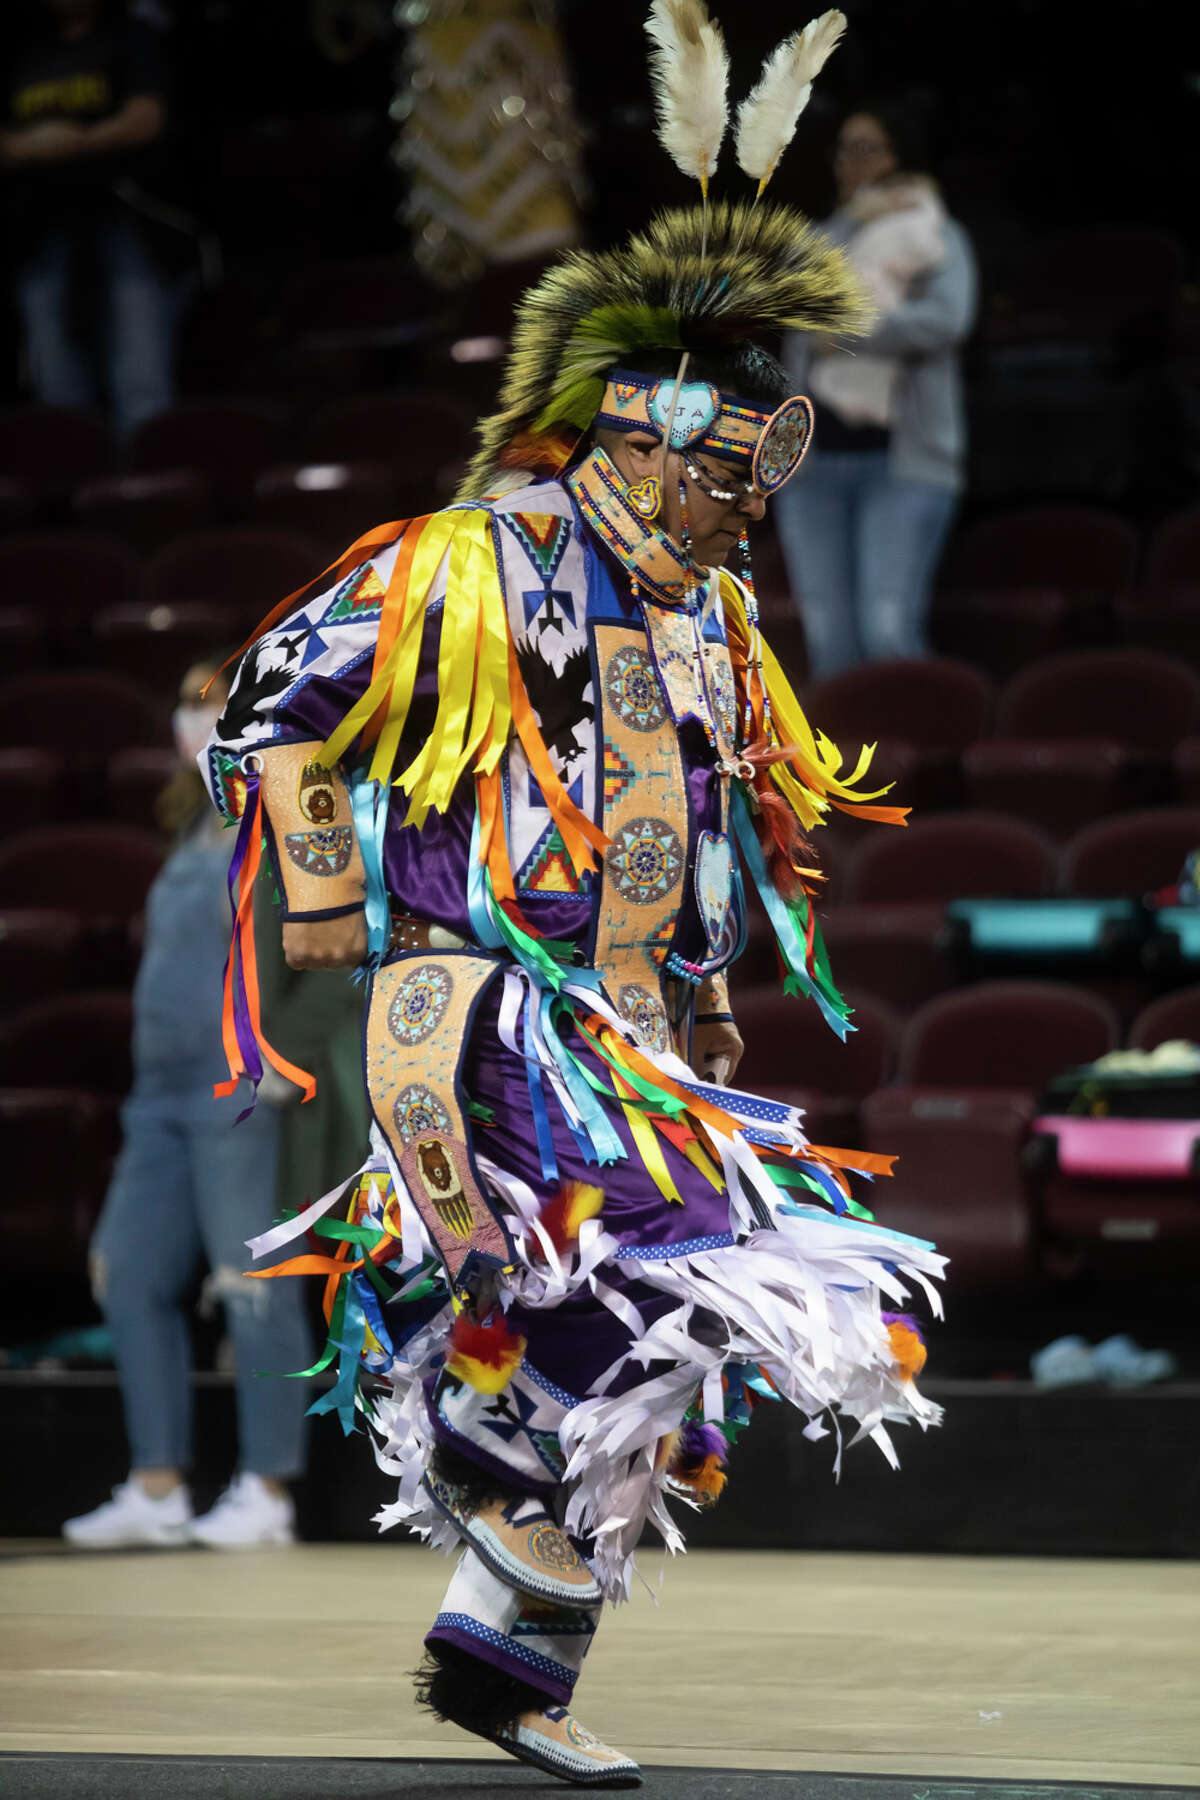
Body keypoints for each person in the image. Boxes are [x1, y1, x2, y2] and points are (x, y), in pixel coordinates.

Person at [200, 28, 945, 1788]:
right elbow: (266, 701)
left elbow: (699, 822)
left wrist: (698, 993)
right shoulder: (476, 559)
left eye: (758, 485)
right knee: (649, 1296)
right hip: (484, 1012)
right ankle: (474, 1428)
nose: (742, 513)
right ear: (639, 438)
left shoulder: (704, 617)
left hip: (626, 1039)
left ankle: (502, 1659)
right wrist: (318, 880)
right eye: (720, 477)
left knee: (715, 1346)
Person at [63, 658, 369, 1551]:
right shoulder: (191, 826)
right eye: (185, 707)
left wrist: (291, 1058)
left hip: (241, 1092)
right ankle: (157, 1486)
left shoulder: (295, 808)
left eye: (214, 707)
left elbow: (343, 950)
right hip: (159, 1095)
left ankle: (266, 1492)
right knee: (124, 1271)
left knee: (253, 1288)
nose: (193, 724)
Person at [773, 98, 978, 679]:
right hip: (814, 472)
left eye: (869, 149)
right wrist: (859, 218)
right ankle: (845, 772)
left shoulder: (939, 234)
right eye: (845, 151)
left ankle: (916, 760)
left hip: (903, 465)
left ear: (901, 155)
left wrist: (849, 334)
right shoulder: (823, 237)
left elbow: (947, 321)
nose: (853, 162)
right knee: (831, 647)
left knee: (886, 632)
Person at [2, 0, 177, 440]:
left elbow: (145, 120)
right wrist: (34, 148)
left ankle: (142, 489)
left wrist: (68, 143)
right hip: (38, 230)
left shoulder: (133, 35)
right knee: (56, 381)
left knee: (140, 379)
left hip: (126, 217)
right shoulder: (20, 46)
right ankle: (69, 485)